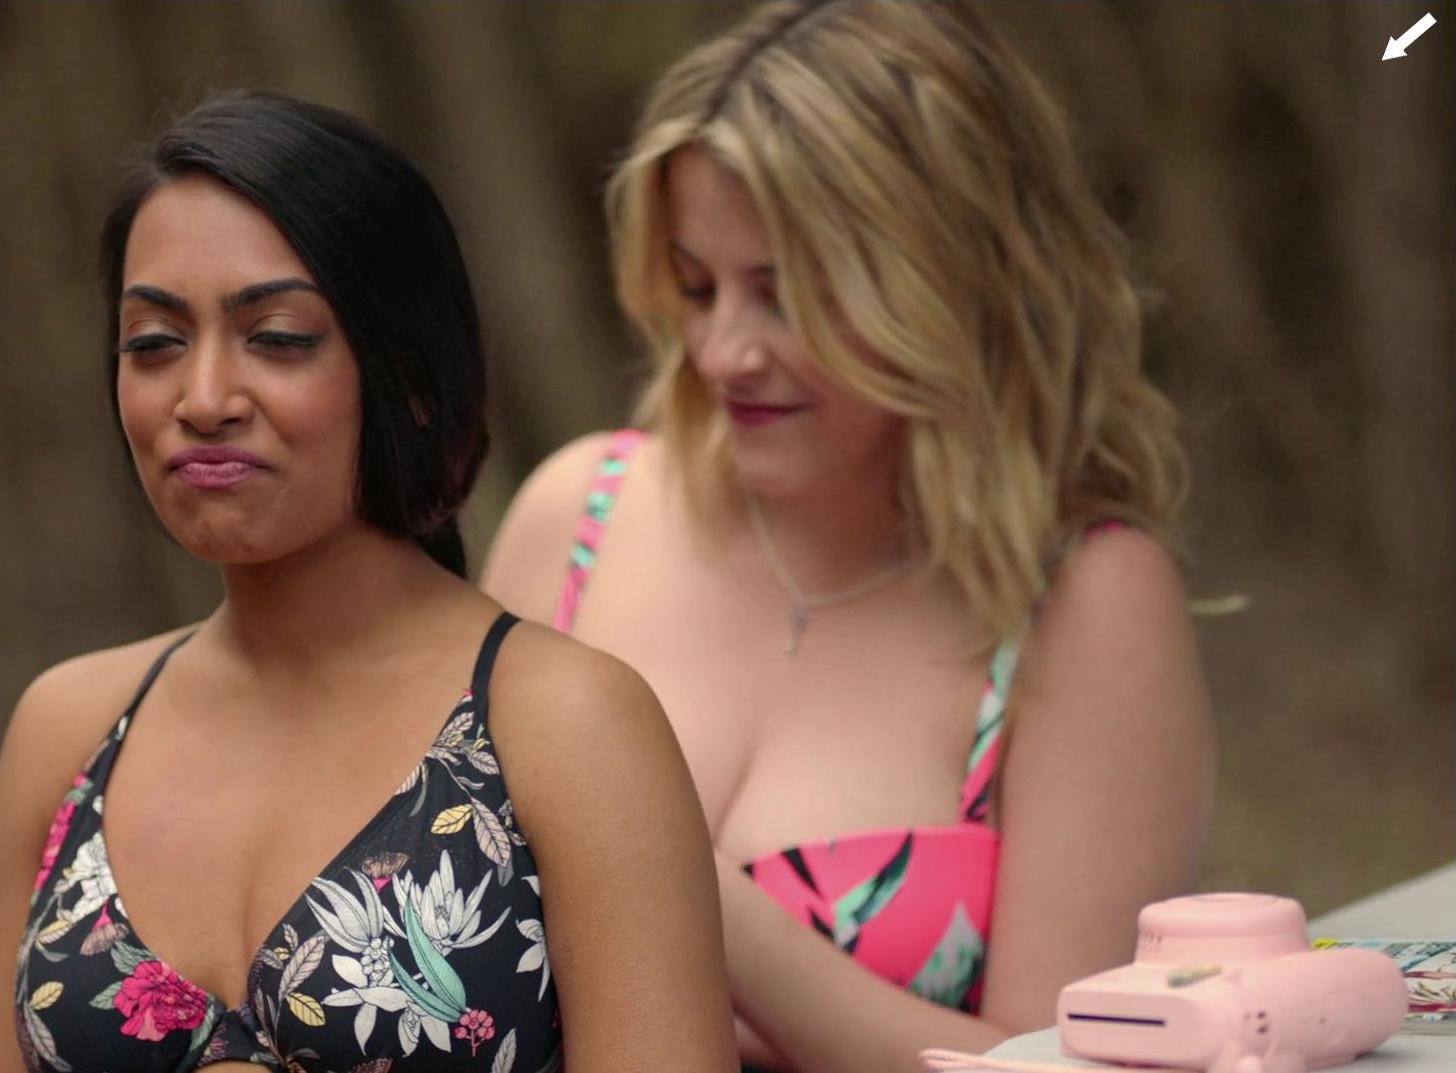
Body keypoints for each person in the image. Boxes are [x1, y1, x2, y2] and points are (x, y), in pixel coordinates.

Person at [482, 3, 1216, 1071]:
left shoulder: (1083, 598)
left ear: (946, 279)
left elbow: (1060, 1061)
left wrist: (689, 892)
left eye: (786, 295)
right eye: (698, 286)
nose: (723, 351)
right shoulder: (575, 516)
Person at [0, 92, 737, 1073]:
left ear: (408, 373)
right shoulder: (67, 731)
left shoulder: (567, 729)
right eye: (154, 342)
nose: (203, 398)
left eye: (278, 337)